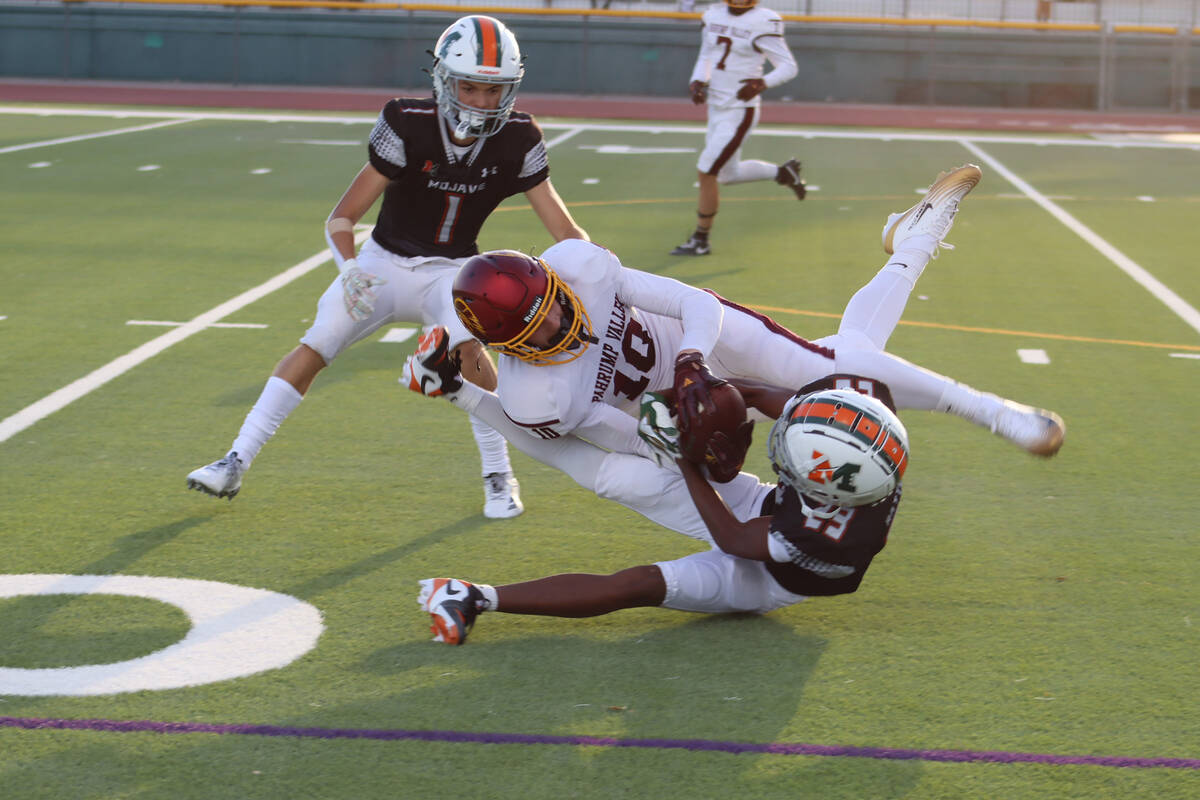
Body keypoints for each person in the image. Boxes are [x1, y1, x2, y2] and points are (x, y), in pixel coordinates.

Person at [185, 15, 588, 518]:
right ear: (444, 80)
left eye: (494, 90)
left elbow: (566, 231)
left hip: (455, 271)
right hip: (382, 263)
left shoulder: (520, 136)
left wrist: (597, 272)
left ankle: (498, 475)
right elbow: (342, 218)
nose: (483, 101)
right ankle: (235, 459)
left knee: (469, 347)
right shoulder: (407, 121)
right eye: (471, 87)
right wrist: (350, 268)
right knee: (318, 341)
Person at [449, 164, 1064, 482]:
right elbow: (634, 443)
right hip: (686, 405)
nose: (560, 321)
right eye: (540, 330)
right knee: (846, 359)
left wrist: (691, 360)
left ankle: (989, 410)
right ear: (508, 349)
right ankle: (914, 239)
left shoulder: (579, 266)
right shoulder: (537, 397)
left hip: (709, 340)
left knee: (839, 374)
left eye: (554, 303)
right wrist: (691, 446)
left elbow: (697, 304)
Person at [414, 372, 909, 645]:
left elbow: (734, 540)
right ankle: (457, 386)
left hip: (771, 577)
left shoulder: (835, 535)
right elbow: (749, 393)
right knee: (624, 476)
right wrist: (689, 403)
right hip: (769, 511)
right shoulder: (858, 427)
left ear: (827, 490)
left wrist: (683, 455)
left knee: (635, 583)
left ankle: (472, 596)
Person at [670, 0, 805, 257]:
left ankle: (701, 239)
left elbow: (789, 66)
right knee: (726, 176)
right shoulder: (713, 14)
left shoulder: (763, 20)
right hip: (716, 107)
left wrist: (761, 83)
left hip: (739, 110)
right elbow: (707, 55)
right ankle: (783, 173)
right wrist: (698, 81)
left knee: (706, 171)